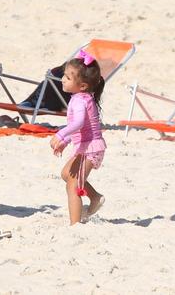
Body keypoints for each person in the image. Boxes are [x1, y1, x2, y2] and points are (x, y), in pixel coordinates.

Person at [49, 51, 106, 225]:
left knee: (72, 186)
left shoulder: (81, 100)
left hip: (92, 148)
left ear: (82, 86)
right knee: (66, 174)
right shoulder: (78, 98)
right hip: (84, 146)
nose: (63, 80)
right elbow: (79, 127)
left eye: (67, 77)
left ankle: (75, 225)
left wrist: (60, 134)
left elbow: (79, 123)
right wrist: (65, 142)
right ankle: (95, 197)